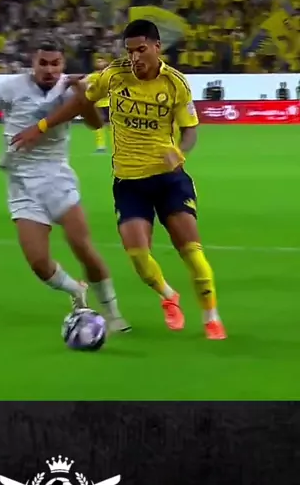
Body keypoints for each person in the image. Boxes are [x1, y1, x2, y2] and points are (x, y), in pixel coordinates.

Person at [12, 20, 227, 341]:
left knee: (192, 253)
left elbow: (190, 130)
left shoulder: (176, 83)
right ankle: (169, 295)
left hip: (169, 180)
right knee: (138, 257)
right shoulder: (114, 75)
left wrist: (180, 153)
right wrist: (41, 126)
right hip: (129, 183)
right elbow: (80, 103)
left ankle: (211, 317)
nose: (135, 57)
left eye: (141, 49)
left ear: (157, 47)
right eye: (129, 51)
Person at [0, 38, 130, 333]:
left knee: (82, 246)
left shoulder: (71, 87)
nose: (49, 70)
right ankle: (76, 290)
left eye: (55, 64)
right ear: (33, 63)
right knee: (39, 263)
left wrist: (84, 96)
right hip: (21, 182)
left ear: (62, 64)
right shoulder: (12, 87)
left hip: (56, 177)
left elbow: (95, 124)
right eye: (43, 63)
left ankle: (113, 313)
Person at [88, 57, 110, 153]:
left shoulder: (92, 77)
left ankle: (105, 145)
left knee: (107, 127)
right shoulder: (93, 77)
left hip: (106, 104)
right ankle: (101, 146)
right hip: (100, 105)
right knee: (100, 127)